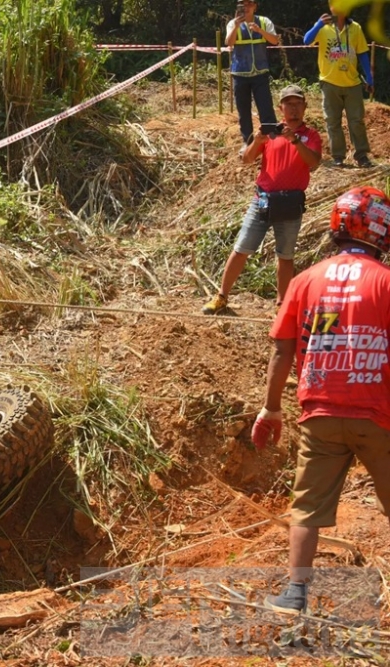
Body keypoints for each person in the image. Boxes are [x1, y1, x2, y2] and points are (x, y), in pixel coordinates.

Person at [251, 186, 390, 614]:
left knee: (306, 508)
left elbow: (282, 348)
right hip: (378, 415)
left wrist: (271, 407)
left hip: (320, 412)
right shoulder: (385, 282)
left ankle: (295, 593)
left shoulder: (304, 280)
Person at [202, 85, 322, 315]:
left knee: (285, 256)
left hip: (290, 203)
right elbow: (246, 160)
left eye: (298, 104)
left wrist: (296, 141)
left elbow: (313, 162)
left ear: (305, 107)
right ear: (281, 108)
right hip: (263, 200)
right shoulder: (271, 133)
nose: (294, 109)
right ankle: (221, 297)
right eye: (289, 104)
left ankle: (282, 305)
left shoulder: (311, 135)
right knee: (241, 248)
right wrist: (257, 140)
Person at [304, 5, 375, 168]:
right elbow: (306, 41)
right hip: (329, 82)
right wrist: (318, 25)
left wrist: (369, 78)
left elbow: (362, 53)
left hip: (352, 83)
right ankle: (338, 157)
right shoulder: (323, 27)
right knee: (332, 121)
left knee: (356, 121)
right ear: (331, 7)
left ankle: (362, 155)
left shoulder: (355, 28)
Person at [226, 0, 280, 144]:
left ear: (255, 6)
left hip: (260, 72)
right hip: (240, 74)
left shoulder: (264, 21)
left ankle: (272, 139)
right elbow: (229, 42)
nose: (246, 7)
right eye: (242, 4)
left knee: (266, 108)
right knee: (243, 111)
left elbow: (275, 40)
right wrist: (236, 26)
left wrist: (260, 31)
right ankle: (248, 142)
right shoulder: (233, 23)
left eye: (249, 3)